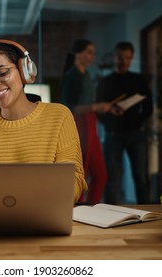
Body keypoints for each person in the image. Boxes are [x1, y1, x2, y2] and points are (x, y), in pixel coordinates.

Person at [0, 39, 88, 203]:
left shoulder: (59, 116)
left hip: (45, 215)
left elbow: (74, 181)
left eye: (2, 73)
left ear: (24, 71)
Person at [95, 41, 153, 204]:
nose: (123, 61)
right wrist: (110, 122)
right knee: (113, 179)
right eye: (120, 57)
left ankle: (146, 213)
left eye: (127, 58)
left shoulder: (139, 79)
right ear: (114, 57)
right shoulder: (105, 81)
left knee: (141, 177)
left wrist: (137, 121)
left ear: (132, 58)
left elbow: (148, 107)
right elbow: (98, 109)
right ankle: (110, 214)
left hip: (136, 134)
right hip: (113, 134)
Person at [61, 39, 111, 204]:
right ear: (78, 53)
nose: (92, 56)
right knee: (82, 170)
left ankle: (91, 208)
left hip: (90, 123)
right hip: (79, 124)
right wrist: (97, 106)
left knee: (100, 173)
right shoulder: (72, 75)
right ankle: (79, 210)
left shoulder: (86, 74)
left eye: (93, 53)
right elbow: (71, 108)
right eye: (89, 52)